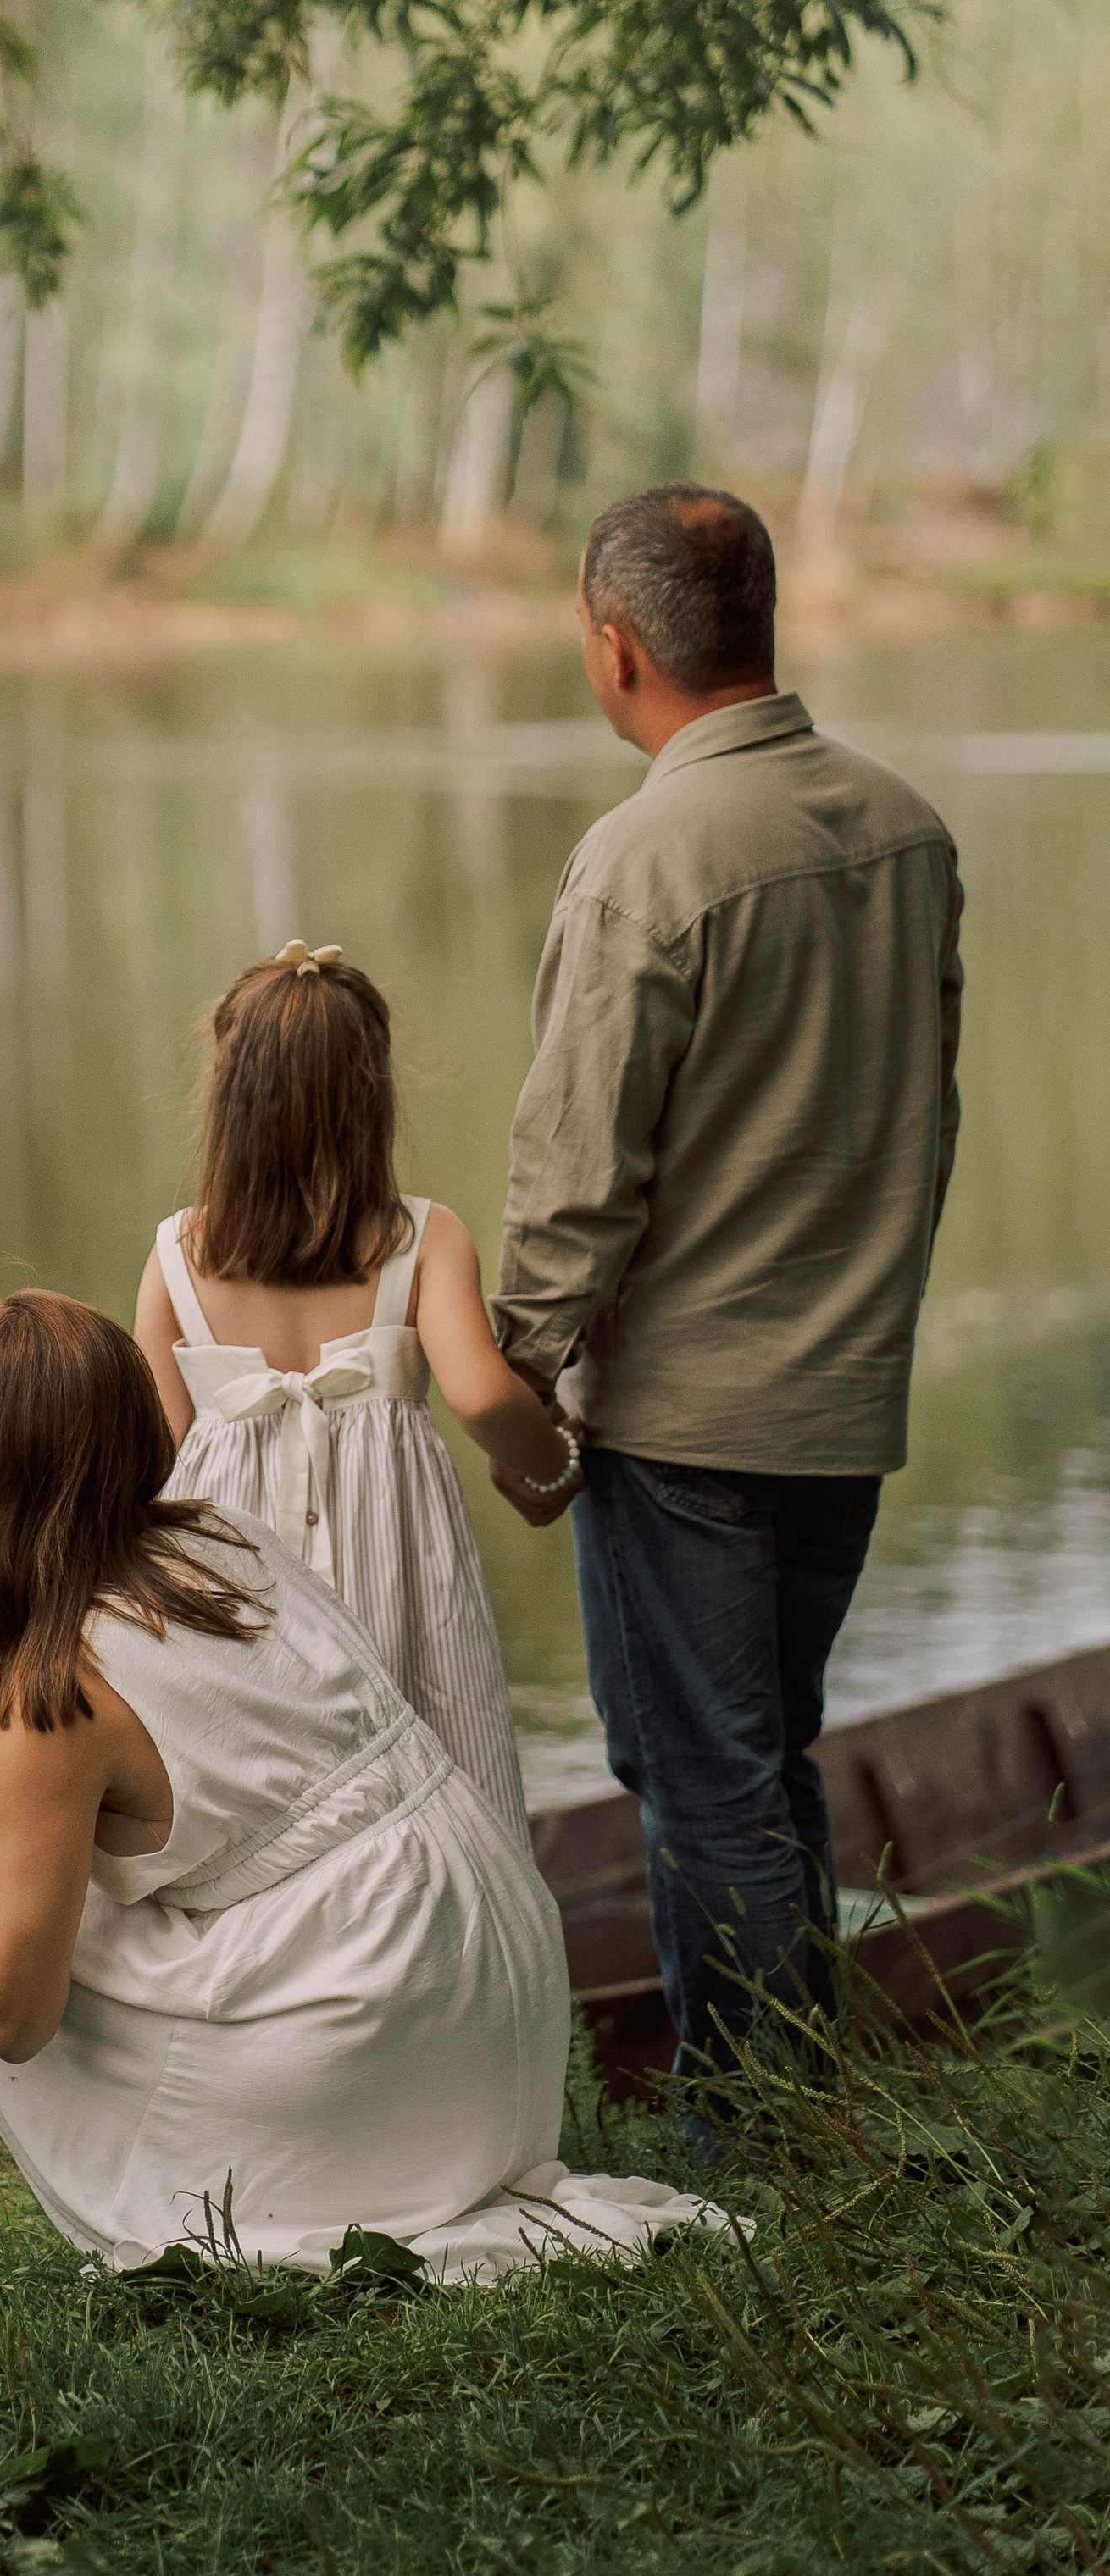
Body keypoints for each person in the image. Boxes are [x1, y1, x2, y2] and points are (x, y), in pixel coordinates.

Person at [0, 1288, 726, 2282]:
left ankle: (243, 2179)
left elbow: (10, 2021)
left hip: (377, 2024)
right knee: (47, 1893)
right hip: (493, 1972)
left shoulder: (56, 1691)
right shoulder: (217, 1539)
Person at [491, 483, 964, 2106]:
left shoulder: (643, 861)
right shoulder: (907, 831)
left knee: (704, 1786)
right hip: (843, 1404)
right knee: (771, 1765)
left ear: (617, 650)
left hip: (686, 1419)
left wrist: (516, 1395)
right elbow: (923, 1120)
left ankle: (753, 2142)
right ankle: (802, 2111)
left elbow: (571, 1183)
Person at [134, 945, 577, 1836]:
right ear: (369, 1095)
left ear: (227, 1094)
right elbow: (484, 1399)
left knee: (248, 1790)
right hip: (394, 1561)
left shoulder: (178, 1254)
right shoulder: (421, 1238)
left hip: (235, 1577)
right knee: (432, 1764)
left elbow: (148, 1454)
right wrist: (556, 1462)